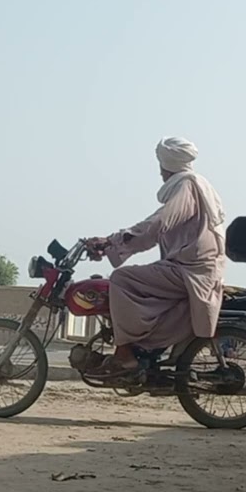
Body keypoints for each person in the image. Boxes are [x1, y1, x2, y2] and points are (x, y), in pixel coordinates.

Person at [87, 136, 227, 373]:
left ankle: (125, 352)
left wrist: (113, 240)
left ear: (165, 164)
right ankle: (144, 348)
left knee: (122, 279)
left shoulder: (186, 187)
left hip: (190, 270)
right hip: (193, 267)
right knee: (140, 281)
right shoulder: (196, 185)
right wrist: (113, 242)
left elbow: (157, 225)